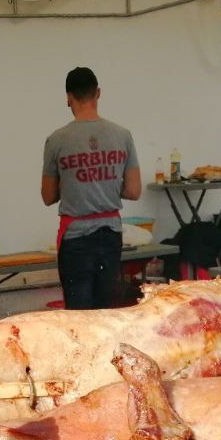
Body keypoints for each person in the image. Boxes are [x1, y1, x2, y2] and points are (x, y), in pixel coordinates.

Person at [41, 67, 141, 309]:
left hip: (75, 239)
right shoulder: (122, 135)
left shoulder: (56, 140)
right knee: (106, 312)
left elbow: (48, 196)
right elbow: (133, 190)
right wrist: (104, 185)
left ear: (68, 97)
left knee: (79, 316)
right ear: (98, 93)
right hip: (110, 237)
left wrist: (78, 185)